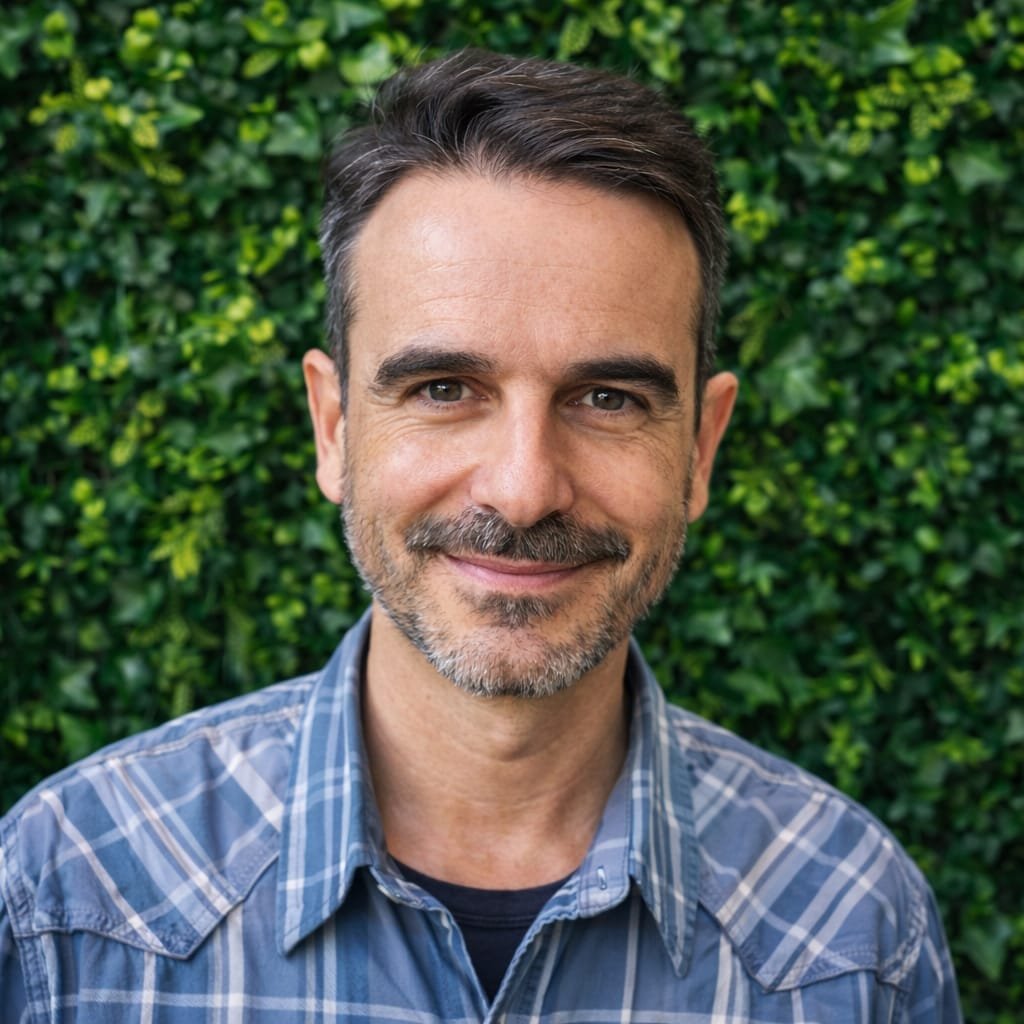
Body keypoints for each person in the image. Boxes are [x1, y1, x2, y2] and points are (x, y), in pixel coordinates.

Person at [0, 50, 960, 1022]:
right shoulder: (66, 903)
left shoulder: (851, 933)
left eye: (608, 397)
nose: (524, 490)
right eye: (444, 389)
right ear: (333, 426)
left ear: (701, 448)